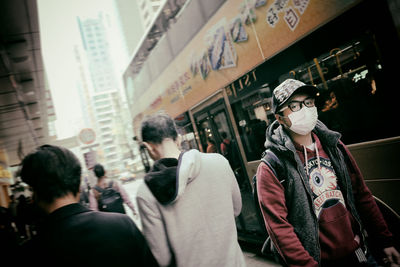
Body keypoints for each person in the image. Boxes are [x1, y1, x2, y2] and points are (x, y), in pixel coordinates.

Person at [256, 79, 400, 267]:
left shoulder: (335, 147)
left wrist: (384, 240)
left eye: (308, 102)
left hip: (359, 254)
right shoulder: (271, 167)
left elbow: (362, 195)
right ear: (279, 118)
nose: (305, 109)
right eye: (294, 106)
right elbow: (279, 228)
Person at [19, 144, 158, 267]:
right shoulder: (123, 225)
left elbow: (93, 206)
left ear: (35, 193)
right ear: (79, 184)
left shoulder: (27, 255)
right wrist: (132, 209)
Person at [137, 113, 245, 267]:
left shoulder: (146, 193)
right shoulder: (219, 162)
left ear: (148, 147)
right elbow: (236, 209)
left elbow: (162, 258)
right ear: (178, 139)